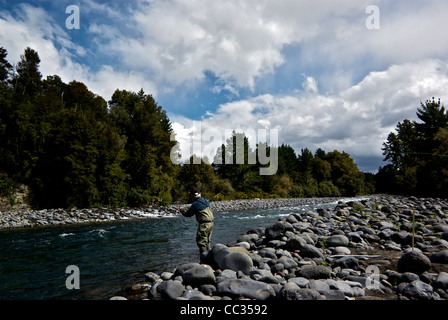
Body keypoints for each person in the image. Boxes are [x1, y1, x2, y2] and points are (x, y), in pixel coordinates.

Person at [179, 189, 214, 256]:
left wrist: (182, 210)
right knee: (207, 241)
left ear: (192, 196)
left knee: (201, 241)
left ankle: (205, 258)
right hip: (211, 223)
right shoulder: (206, 201)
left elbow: (187, 214)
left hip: (204, 224)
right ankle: (210, 255)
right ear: (200, 193)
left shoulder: (195, 204)